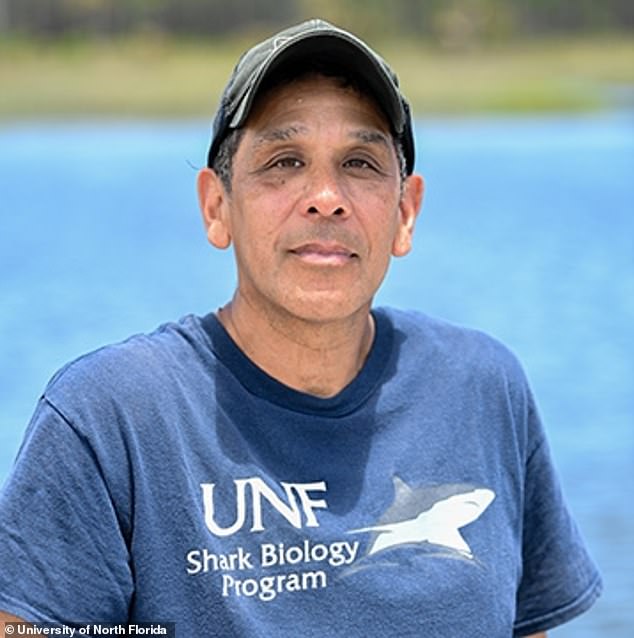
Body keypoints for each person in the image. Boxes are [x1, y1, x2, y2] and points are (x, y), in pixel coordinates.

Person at [0, 18, 601, 638]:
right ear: (216, 207)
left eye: (360, 163)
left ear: (405, 213)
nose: (325, 196)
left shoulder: (482, 386)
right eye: (284, 161)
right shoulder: (111, 416)